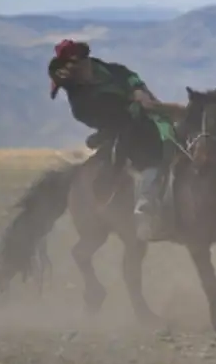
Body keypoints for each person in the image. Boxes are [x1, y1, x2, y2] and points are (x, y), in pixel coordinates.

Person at [47, 39, 178, 242]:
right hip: (128, 130)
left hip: (151, 115)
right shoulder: (81, 103)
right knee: (149, 160)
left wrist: (139, 91)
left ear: (83, 62)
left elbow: (130, 77)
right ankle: (144, 213)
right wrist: (135, 110)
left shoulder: (111, 70)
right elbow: (115, 119)